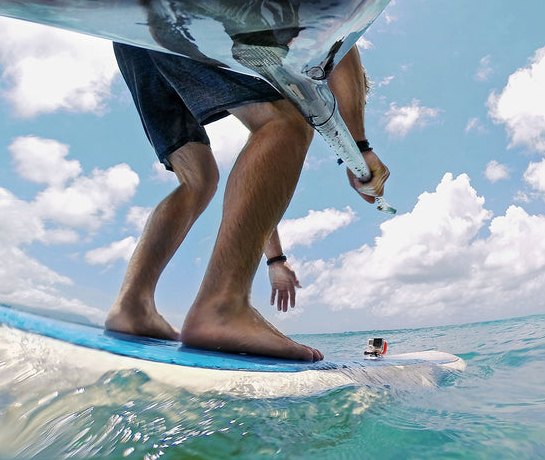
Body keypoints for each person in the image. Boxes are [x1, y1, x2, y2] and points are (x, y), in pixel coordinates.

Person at [104, 43, 388, 361]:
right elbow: (342, 48)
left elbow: (255, 191)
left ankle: (133, 307)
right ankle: (221, 307)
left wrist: (275, 260)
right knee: (286, 121)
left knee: (197, 178)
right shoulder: (317, 47)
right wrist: (360, 146)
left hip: (133, 39)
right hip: (178, 4)